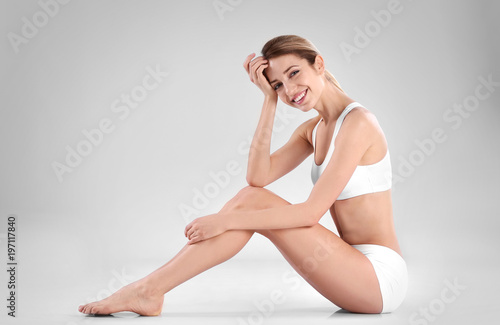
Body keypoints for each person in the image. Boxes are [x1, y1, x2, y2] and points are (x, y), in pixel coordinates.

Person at [78, 34, 407, 316]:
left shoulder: (359, 123)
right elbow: (258, 177)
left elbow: (310, 213)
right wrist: (268, 101)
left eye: (294, 73)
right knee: (253, 197)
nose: (290, 90)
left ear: (318, 64)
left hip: (379, 278)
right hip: (348, 265)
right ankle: (149, 290)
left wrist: (227, 221)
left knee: (251, 205)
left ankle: (148, 290)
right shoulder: (314, 130)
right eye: (279, 84)